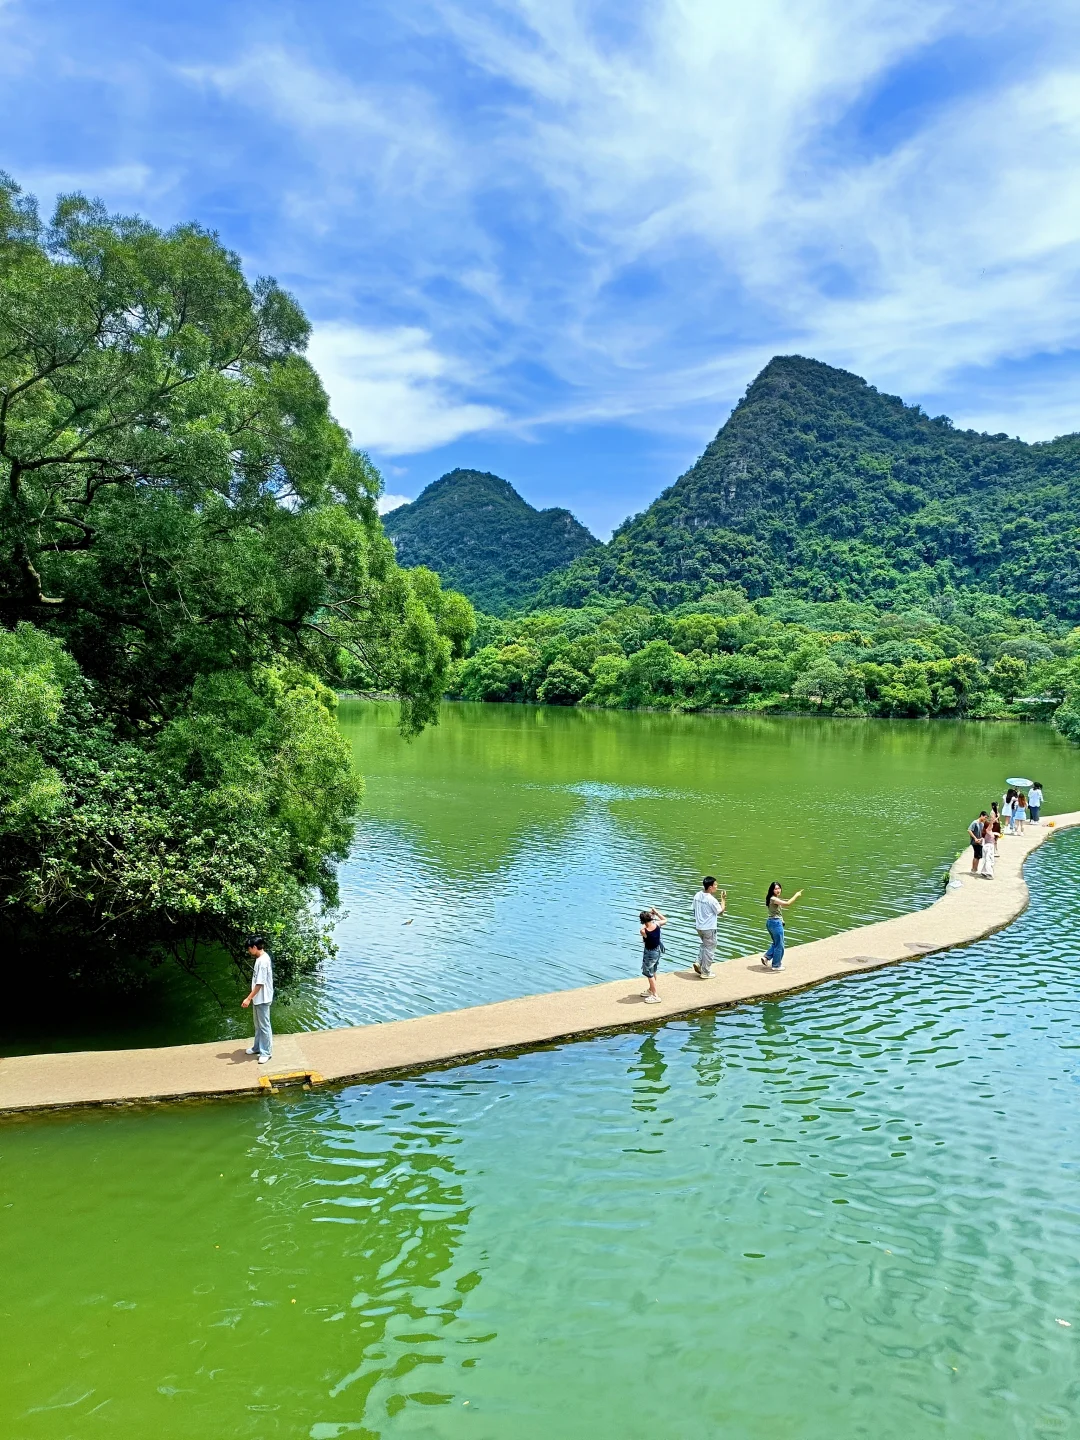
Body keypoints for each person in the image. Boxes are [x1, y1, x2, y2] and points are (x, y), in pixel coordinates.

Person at [241, 935, 274, 1063]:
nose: (249, 951)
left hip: (263, 998)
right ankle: (257, 1047)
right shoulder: (259, 959)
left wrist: (248, 998)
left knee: (264, 1026)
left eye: (249, 948)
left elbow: (260, 983)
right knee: (258, 1025)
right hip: (258, 998)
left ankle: (266, 1052)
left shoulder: (263, 961)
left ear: (254, 947)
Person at [763, 881, 802, 972]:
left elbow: (777, 911)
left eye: (779, 888)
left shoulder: (771, 898)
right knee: (779, 945)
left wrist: (782, 920)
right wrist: (796, 895)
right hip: (775, 923)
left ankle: (766, 957)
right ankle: (776, 965)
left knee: (776, 943)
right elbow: (787, 904)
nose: (778, 890)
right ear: (772, 890)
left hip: (771, 922)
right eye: (775, 889)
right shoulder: (773, 899)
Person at [692, 877, 726, 978]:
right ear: (710, 887)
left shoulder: (697, 895)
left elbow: (694, 909)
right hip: (709, 928)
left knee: (705, 945)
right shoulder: (712, 900)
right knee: (710, 948)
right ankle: (705, 972)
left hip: (699, 927)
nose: (717, 887)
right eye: (715, 885)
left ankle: (698, 962)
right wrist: (723, 899)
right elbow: (720, 911)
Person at [638, 907, 667, 1003]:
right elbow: (665, 920)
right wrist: (655, 913)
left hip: (649, 953)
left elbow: (642, 928)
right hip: (657, 951)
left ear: (642, 921)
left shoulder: (644, 931)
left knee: (648, 973)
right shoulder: (657, 924)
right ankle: (651, 990)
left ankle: (655, 995)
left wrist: (649, 918)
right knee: (653, 970)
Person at [978, 814, 996, 879]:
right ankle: (989, 873)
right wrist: (992, 819)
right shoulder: (988, 830)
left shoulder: (987, 831)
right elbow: (991, 824)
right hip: (989, 847)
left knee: (986, 859)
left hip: (986, 846)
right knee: (989, 860)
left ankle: (983, 871)